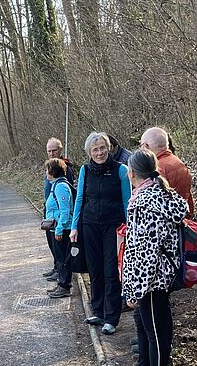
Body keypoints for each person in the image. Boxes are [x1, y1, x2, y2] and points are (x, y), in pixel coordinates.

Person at [119, 149, 189, 366]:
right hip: (159, 277)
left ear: (132, 173)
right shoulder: (158, 195)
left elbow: (145, 251)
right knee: (155, 330)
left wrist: (135, 291)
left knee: (156, 334)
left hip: (152, 280)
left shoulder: (145, 201)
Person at [70, 132, 131, 335]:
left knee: (111, 270)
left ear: (109, 148)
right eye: (95, 149)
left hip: (113, 227)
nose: (99, 152)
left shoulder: (121, 170)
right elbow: (79, 199)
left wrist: (129, 227)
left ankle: (112, 317)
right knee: (94, 269)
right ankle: (98, 311)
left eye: (102, 148)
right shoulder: (84, 171)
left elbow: (127, 201)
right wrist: (74, 226)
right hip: (89, 225)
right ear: (89, 152)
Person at [42, 138, 76, 281]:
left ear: (60, 150)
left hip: (59, 218)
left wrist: (60, 226)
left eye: (54, 150)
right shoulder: (51, 166)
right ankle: (57, 267)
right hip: (51, 214)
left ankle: (62, 276)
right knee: (53, 245)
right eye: (49, 151)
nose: (51, 153)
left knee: (60, 249)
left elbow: (65, 205)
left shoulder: (63, 168)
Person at [140, 127, 194, 217]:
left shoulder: (157, 169)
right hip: (183, 215)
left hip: (170, 222)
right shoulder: (177, 161)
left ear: (146, 146)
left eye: (141, 145)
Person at [43, 158, 74, 298]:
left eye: (47, 170)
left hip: (62, 229)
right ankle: (61, 284)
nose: (45, 173)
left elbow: (65, 210)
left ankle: (64, 286)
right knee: (60, 258)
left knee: (63, 259)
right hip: (56, 228)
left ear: (53, 171)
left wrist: (60, 229)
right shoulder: (56, 185)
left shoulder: (61, 186)